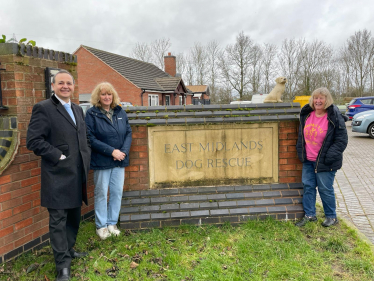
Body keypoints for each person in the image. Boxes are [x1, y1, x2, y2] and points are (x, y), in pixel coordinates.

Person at [27, 70, 91, 281]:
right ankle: (62, 266)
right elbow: (34, 141)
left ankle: (69, 249)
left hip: (77, 172)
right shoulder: (43, 108)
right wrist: (58, 155)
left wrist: (86, 154)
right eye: (61, 83)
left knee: (74, 215)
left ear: (73, 86)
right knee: (58, 220)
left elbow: (82, 137)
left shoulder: (77, 109)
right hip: (57, 174)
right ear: (53, 86)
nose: (65, 86)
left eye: (69, 83)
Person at [85, 82, 132, 240]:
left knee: (117, 193)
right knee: (101, 193)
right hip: (102, 160)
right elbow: (90, 138)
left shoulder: (120, 112)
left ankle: (112, 223)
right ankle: (101, 226)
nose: (106, 97)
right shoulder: (92, 114)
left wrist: (123, 152)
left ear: (113, 96)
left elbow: (128, 133)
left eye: (109, 94)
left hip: (119, 161)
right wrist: (112, 151)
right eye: (103, 94)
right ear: (98, 96)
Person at [295, 87, 348, 227]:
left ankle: (331, 217)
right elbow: (301, 135)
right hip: (308, 160)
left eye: (321, 98)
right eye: (316, 98)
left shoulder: (334, 117)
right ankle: (310, 215)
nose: (318, 101)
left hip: (325, 161)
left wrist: (328, 157)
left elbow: (341, 141)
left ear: (327, 100)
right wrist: (300, 152)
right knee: (308, 187)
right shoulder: (307, 114)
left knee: (325, 189)